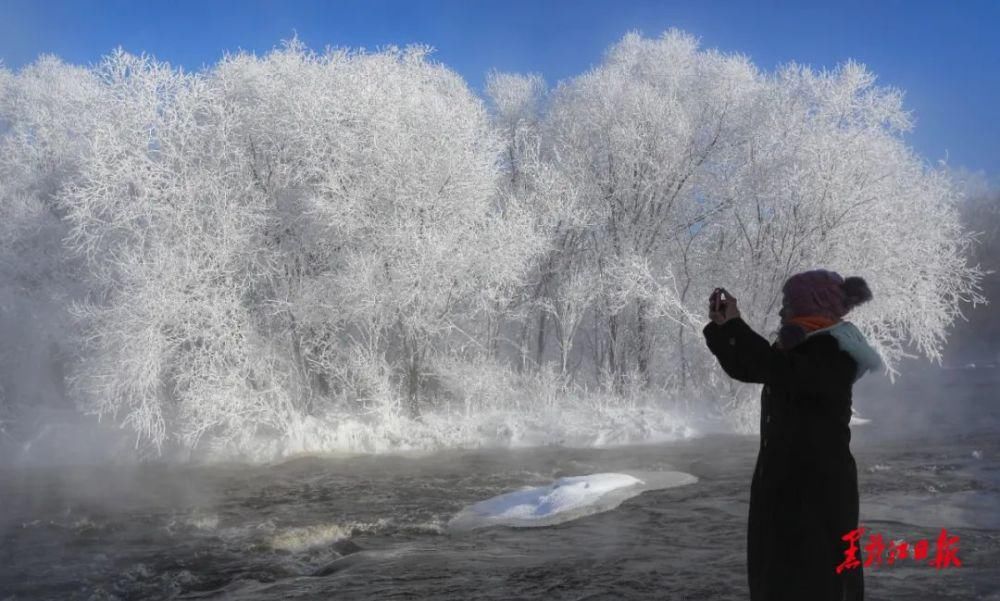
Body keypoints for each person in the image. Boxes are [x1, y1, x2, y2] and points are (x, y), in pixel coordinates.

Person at [702, 270, 884, 601]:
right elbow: (751, 368)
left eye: (789, 303)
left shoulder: (834, 351)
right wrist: (721, 326)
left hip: (817, 493)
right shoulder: (801, 347)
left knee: (816, 580)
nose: (782, 310)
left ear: (810, 305)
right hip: (786, 487)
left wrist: (735, 327)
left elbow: (776, 369)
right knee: (781, 577)